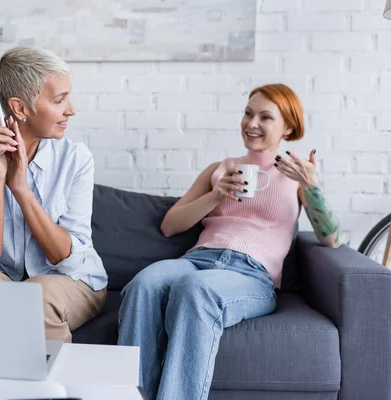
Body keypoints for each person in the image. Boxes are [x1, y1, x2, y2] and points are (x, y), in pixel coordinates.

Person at [117, 83, 342, 400]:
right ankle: (126, 395)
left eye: (265, 117)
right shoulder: (219, 170)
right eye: (248, 113)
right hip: (196, 261)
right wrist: (215, 194)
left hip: (250, 275)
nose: (252, 124)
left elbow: (330, 238)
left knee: (196, 290)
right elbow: (170, 226)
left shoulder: (296, 176)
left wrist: (313, 186)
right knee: (145, 284)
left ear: (288, 127)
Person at [0, 46, 107, 343]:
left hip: (71, 279)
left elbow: (63, 256)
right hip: (1, 278)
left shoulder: (75, 159)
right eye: (60, 100)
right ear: (20, 109)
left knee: (36, 296)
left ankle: (51, 388)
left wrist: (19, 188)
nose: (71, 109)